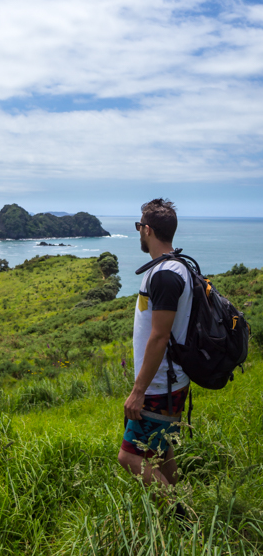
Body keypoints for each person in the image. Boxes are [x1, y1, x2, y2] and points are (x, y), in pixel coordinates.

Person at [118, 198, 193, 495]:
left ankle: (184, 517)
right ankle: (180, 516)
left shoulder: (164, 274)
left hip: (160, 385)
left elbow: (160, 336)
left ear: (147, 230)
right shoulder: (176, 266)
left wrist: (138, 392)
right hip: (171, 380)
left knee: (130, 457)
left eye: (139, 227)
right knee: (162, 453)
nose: (139, 232)